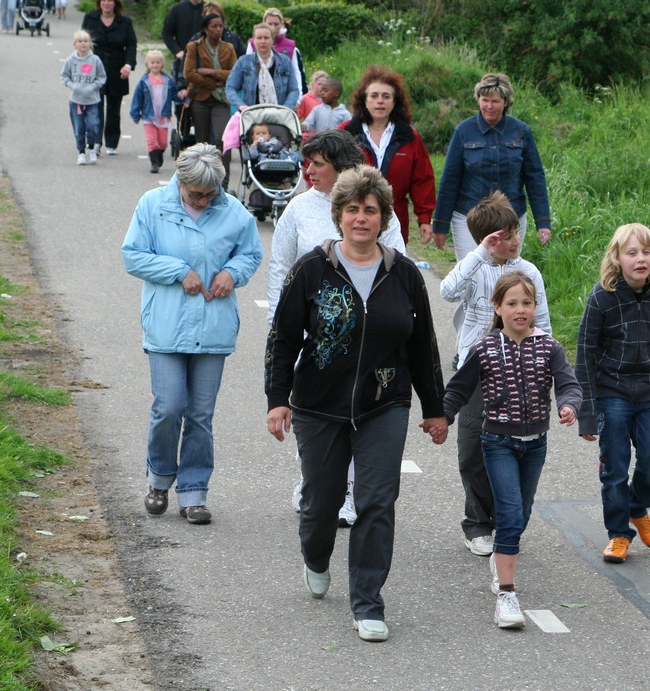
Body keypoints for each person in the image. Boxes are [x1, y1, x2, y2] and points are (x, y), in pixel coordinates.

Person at [265, 164, 447, 643]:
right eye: (352, 210)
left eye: (370, 210)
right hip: (318, 405)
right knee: (321, 503)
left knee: (376, 502)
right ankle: (316, 556)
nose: (361, 218)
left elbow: (423, 345)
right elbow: (283, 339)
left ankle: (368, 601)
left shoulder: (404, 274)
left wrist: (434, 408)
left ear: (384, 217)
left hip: (385, 404)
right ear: (339, 216)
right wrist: (277, 400)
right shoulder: (312, 269)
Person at [267, 130, 406, 527]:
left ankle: (348, 490)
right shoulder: (298, 208)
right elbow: (281, 268)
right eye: (308, 163)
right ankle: (313, 478)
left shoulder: (377, 211)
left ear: (341, 167)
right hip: (313, 333)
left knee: (359, 408)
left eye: (318, 164)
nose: (308, 170)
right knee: (314, 410)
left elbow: (399, 263)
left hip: (365, 334)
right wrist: (279, 322)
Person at [122, 144, 263, 525]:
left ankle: (194, 493)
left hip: (213, 326)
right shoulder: (152, 205)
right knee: (168, 407)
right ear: (180, 182)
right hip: (166, 324)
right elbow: (133, 256)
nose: (204, 201)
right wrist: (178, 271)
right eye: (196, 194)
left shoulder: (233, 212)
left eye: (210, 194)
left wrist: (232, 273)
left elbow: (251, 253)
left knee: (200, 415)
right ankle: (158, 480)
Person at [440, 272, 580, 628]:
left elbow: (568, 384)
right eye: (512, 303)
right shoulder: (485, 348)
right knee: (511, 512)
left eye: (527, 303)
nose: (520, 310)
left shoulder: (549, 347)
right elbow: (458, 390)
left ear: (536, 306)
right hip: (497, 443)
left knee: (521, 513)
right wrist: (442, 418)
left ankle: (501, 553)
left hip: (535, 446)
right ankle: (506, 595)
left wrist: (569, 405)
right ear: (498, 308)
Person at [439, 191, 550, 557]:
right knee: (473, 448)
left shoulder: (529, 272)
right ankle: (477, 524)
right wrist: (479, 254)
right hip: (476, 371)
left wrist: (545, 367)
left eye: (516, 232)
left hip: (520, 371)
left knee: (519, 448)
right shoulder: (474, 269)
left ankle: (508, 518)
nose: (515, 240)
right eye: (506, 236)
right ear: (488, 240)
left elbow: (543, 323)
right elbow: (447, 291)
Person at [575, 223, 650, 564]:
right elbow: (585, 354)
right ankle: (618, 534)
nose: (640, 258)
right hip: (612, 392)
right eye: (632, 253)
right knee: (614, 468)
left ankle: (637, 508)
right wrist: (586, 413)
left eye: (647, 251)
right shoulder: (602, 297)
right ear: (617, 258)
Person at [432, 72, 552, 258]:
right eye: (484, 100)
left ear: (505, 102)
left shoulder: (521, 131)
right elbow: (449, 180)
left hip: (512, 217)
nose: (489, 106)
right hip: (468, 218)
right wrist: (440, 225)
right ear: (478, 99)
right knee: (472, 270)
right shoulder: (463, 131)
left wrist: (543, 222)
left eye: (495, 101)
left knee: (505, 272)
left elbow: (535, 178)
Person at [342, 65, 435, 246]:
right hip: (354, 220)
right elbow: (328, 169)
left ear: (394, 102)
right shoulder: (346, 133)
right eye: (374, 96)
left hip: (395, 219)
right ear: (364, 100)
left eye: (386, 96)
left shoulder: (409, 137)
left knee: (392, 264)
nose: (380, 101)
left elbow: (422, 180)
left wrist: (424, 218)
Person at [184, 13, 237, 188]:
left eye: (220, 26)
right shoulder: (194, 47)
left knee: (223, 140)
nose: (218, 29)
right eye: (214, 26)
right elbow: (189, 73)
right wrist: (214, 84)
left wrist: (212, 72)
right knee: (202, 143)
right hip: (201, 98)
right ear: (206, 29)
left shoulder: (229, 48)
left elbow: (234, 73)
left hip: (221, 100)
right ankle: (202, 182)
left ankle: (223, 183)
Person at [81, 0, 137, 155]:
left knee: (114, 108)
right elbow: (83, 42)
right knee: (95, 107)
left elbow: (131, 45)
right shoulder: (90, 18)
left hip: (117, 68)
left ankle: (112, 143)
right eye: (104, 0)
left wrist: (128, 65)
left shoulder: (125, 22)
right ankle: (95, 142)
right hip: (95, 67)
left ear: (115, 3)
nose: (106, 3)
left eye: (110, 0)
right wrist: (82, 63)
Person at [129, 50, 182, 173]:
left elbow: (174, 94)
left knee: (162, 143)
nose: (155, 65)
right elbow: (138, 98)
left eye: (158, 62)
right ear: (147, 64)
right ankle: (154, 163)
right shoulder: (144, 81)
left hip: (163, 116)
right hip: (149, 116)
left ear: (162, 64)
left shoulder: (167, 80)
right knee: (151, 141)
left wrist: (182, 97)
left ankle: (159, 154)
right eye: (152, 62)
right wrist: (135, 114)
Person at [226, 22, 299, 112]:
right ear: (254, 40)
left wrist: (286, 108)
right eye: (259, 38)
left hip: (280, 114)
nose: (263, 41)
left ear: (272, 40)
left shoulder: (285, 61)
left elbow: (294, 90)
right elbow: (230, 87)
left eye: (266, 38)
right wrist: (241, 106)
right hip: (251, 114)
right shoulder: (243, 62)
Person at [61, 29, 107, 165]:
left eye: (86, 41)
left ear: (90, 44)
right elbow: (64, 76)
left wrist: (93, 86)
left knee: (93, 125)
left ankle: (91, 147)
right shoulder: (70, 60)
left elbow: (102, 77)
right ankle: (81, 152)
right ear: (75, 44)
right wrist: (72, 85)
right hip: (76, 101)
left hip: (92, 100)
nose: (83, 44)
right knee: (79, 128)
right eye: (80, 41)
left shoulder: (95, 60)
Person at [245, 7, 305, 95]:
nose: (273, 27)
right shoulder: (253, 43)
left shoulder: (290, 46)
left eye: (276, 24)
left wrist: (298, 97)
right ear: (264, 23)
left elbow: (296, 73)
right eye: (270, 24)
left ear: (281, 24)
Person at [161, 0, 203, 71]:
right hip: (183, 61)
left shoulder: (208, 9)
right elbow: (166, 33)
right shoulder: (177, 9)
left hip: (205, 61)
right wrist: (177, 51)